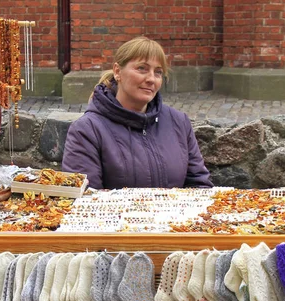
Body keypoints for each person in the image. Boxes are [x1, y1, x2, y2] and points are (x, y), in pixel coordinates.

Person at [62, 37, 212, 190]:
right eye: (142, 68)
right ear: (117, 71)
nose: (151, 79)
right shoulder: (88, 130)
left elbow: (200, 184)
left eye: (158, 72)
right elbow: (85, 199)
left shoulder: (178, 122)